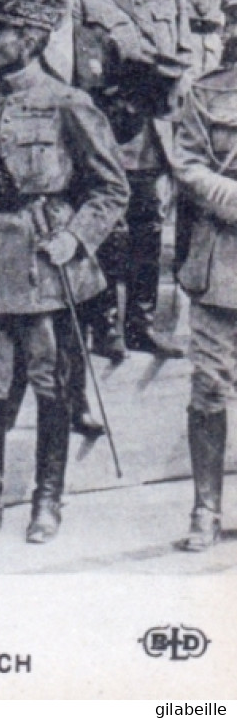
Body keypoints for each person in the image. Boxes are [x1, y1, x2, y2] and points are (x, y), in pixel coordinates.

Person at [0, 0, 128, 545]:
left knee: (51, 385)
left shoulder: (69, 103)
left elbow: (113, 189)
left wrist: (75, 237)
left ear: (32, 39)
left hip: (46, 265)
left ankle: (48, 502)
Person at [75, 0, 193, 357]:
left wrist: (154, 70)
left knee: (148, 225)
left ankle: (141, 324)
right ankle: (105, 328)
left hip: (154, 122)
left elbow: (183, 49)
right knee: (108, 225)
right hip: (106, 121)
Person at [166, 51, 237, 552]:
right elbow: (186, 164)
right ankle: (206, 509)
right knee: (209, 386)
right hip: (222, 265)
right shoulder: (208, 92)